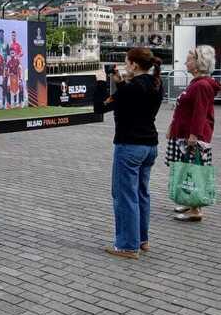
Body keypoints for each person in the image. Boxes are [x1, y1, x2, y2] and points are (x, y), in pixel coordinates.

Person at [94, 48, 163, 259]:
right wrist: (121, 83)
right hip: (149, 145)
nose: (125, 66)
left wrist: (101, 83)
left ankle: (127, 245)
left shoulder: (130, 88)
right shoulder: (156, 84)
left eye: (126, 62)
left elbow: (99, 107)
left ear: (134, 64)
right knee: (142, 193)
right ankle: (141, 239)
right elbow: (134, 97)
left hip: (129, 145)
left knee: (124, 196)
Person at [166, 45, 221, 222]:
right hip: (184, 133)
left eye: (189, 59)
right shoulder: (196, 83)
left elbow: (200, 113)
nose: (185, 62)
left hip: (193, 137)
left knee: (194, 170)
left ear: (199, 63)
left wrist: (194, 135)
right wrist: (172, 126)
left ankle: (196, 209)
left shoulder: (202, 85)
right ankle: (190, 202)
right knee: (186, 169)